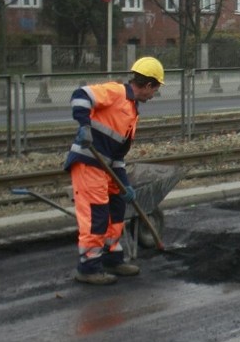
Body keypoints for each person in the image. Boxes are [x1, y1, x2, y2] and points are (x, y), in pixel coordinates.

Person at [63, 56, 165, 285]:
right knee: (97, 216)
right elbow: (81, 95)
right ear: (148, 85)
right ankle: (88, 268)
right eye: (155, 89)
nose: (154, 94)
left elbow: (117, 154)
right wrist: (84, 126)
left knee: (117, 208)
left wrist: (124, 183)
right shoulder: (117, 92)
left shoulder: (131, 109)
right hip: (89, 163)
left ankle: (112, 258)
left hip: (108, 166)